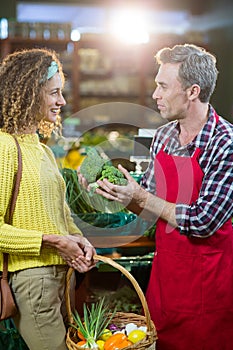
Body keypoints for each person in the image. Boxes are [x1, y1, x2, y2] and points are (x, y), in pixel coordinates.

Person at [79, 43, 233, 349]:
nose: (154, 95)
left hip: (211, 288)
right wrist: (113, 193)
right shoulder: (163, 137)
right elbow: (148, 209)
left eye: (163, 86)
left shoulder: (225, 142)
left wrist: (143, 197)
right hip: (166, 283)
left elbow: (203, 221)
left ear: (192, 91)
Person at [0, 48, 96, 350]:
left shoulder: (40, 149)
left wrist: (79, 241)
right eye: (54, 93)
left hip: (61, 277)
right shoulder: (4, 147)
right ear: (30, 93)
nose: (62, 102)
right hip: (33, 279)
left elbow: (61, 214)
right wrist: (53, 242)